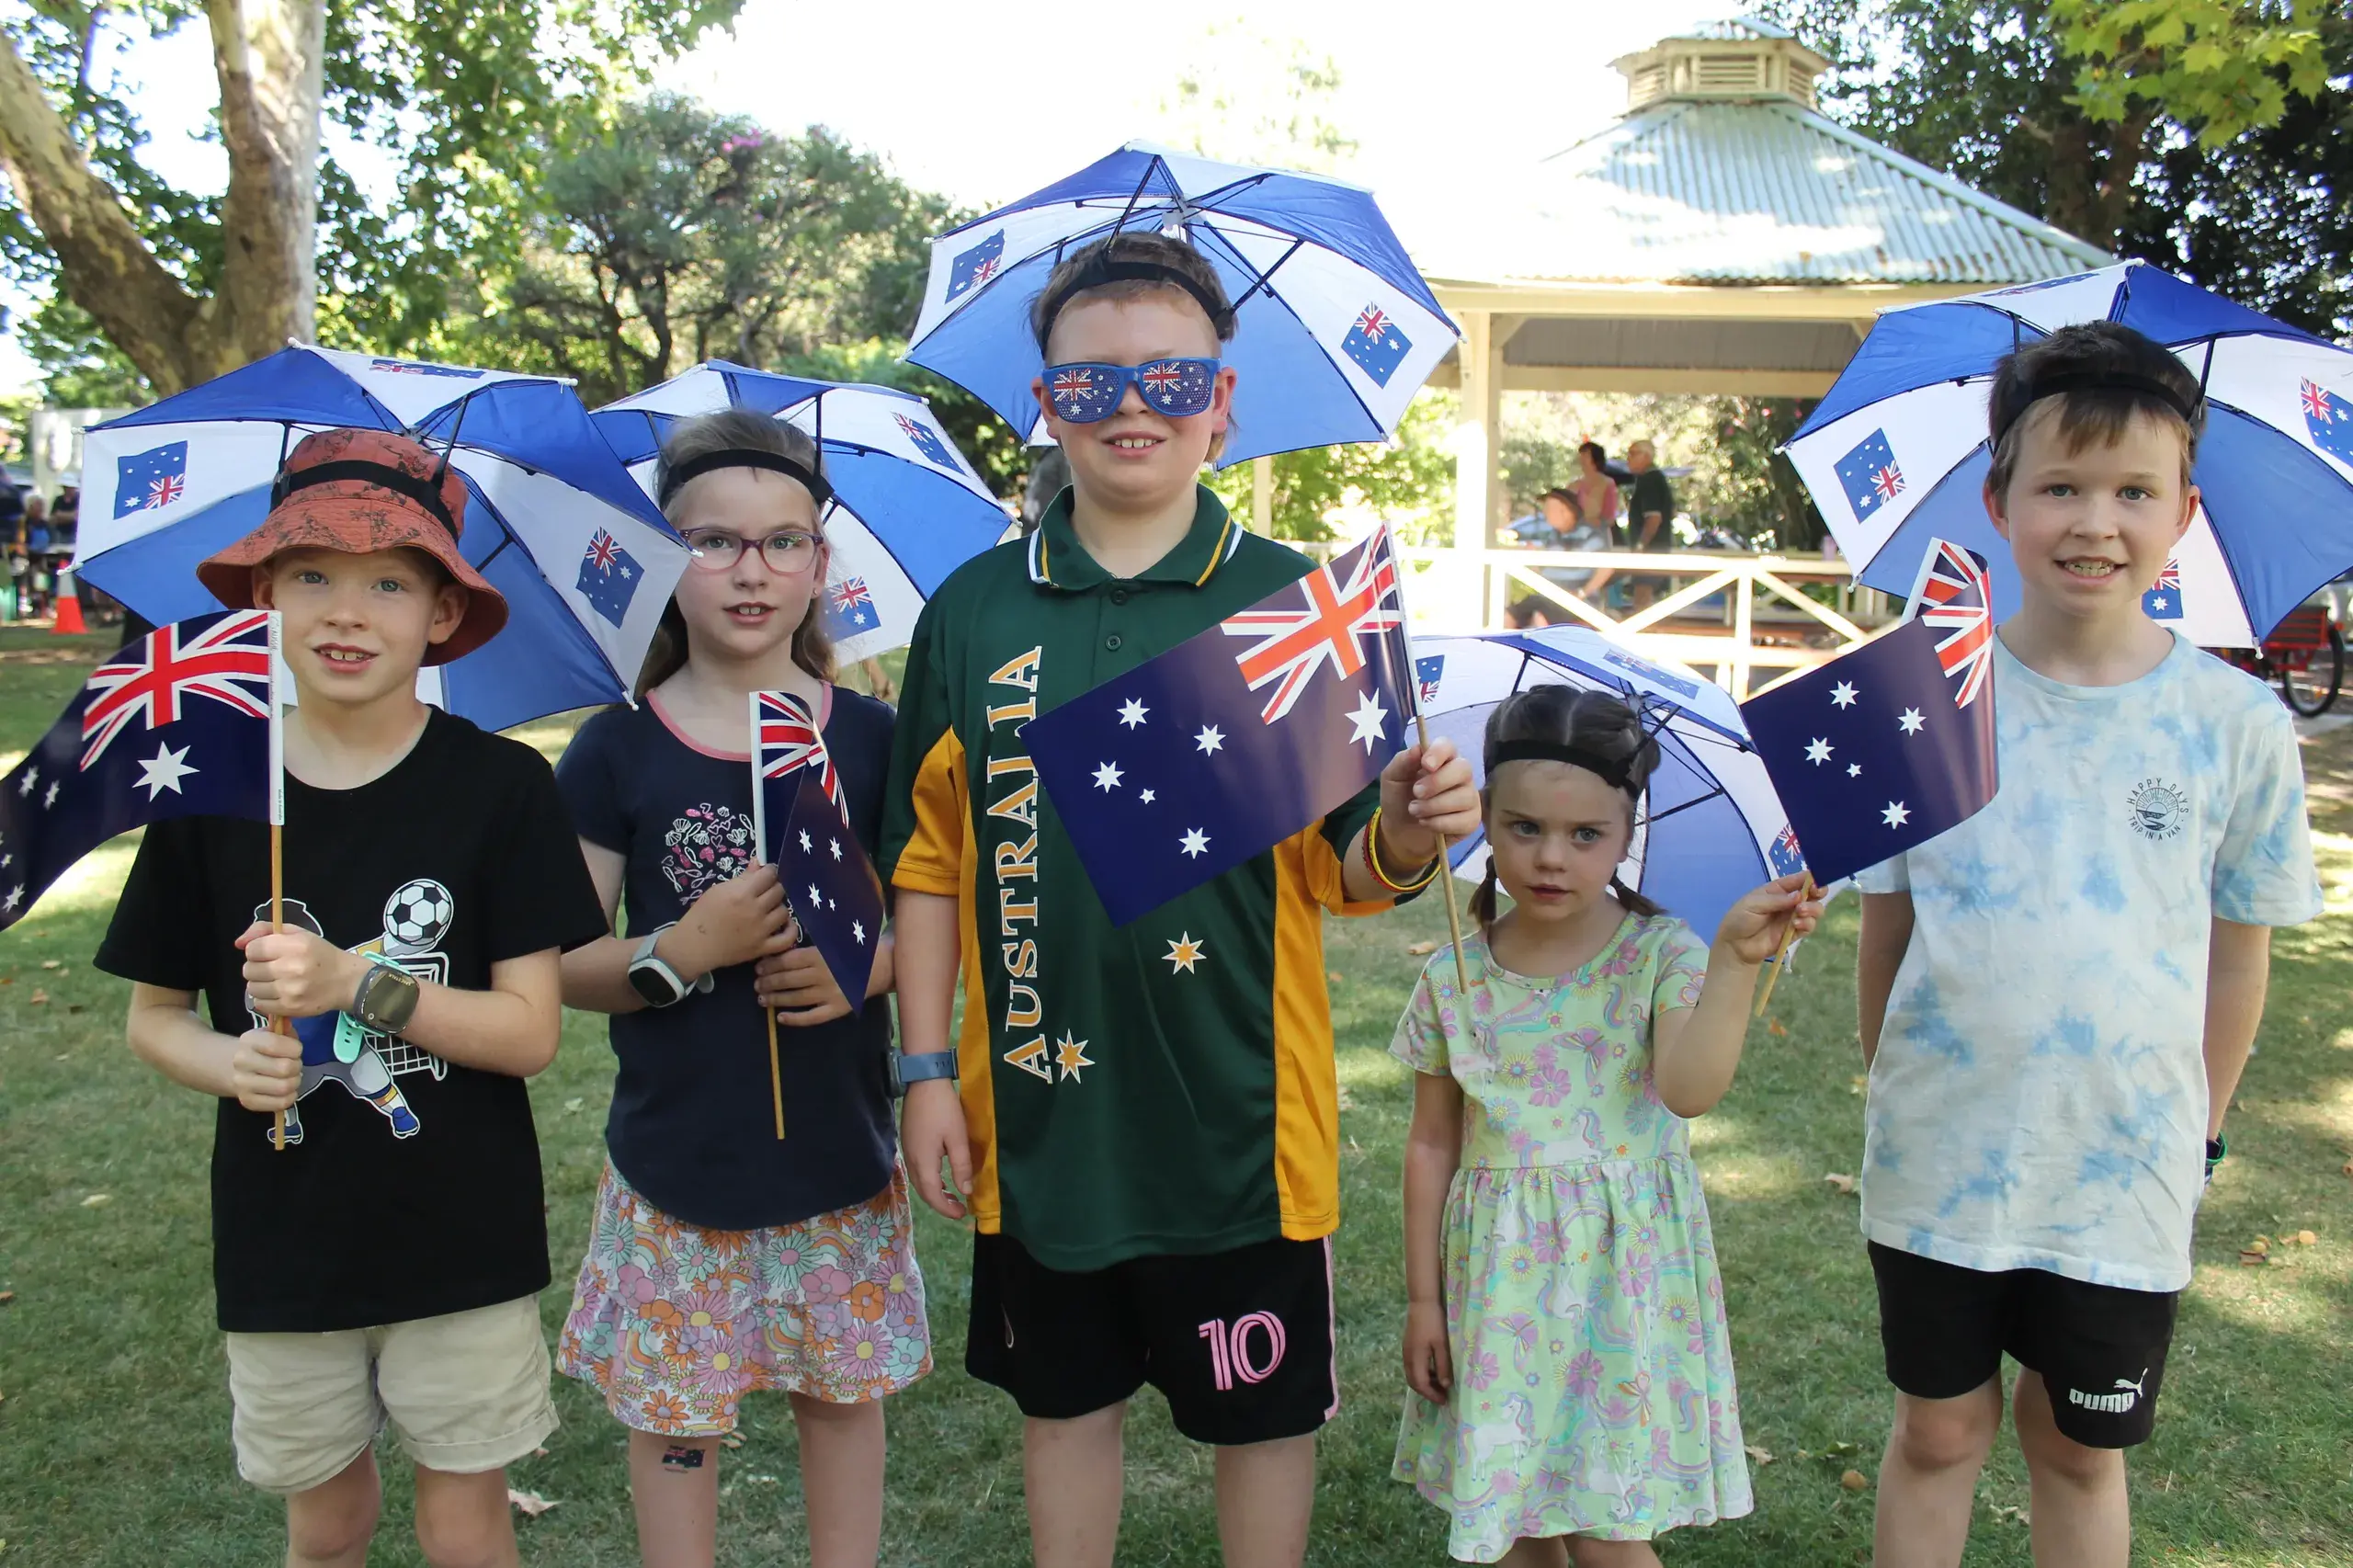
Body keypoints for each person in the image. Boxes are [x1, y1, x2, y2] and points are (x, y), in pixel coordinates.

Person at [881, 231, 1481, 1568]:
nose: (1130, 406)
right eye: (1089, 383)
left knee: (1260, 1427)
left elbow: (1350, 871)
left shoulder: (1294, 601)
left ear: (1224, 401)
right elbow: (928, 861)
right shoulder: (973, 614)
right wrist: (926, 1068)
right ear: (1045, 404)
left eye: (1169, 376)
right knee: (1064, 1406)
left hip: (1244, 1127)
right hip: (1039, 1118)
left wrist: (1404, 825)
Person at [94, 428, 608, 1568]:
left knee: (463, 1522)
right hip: (288, 1240)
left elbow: (530, 1035)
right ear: (264, 594)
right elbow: (154, 1018)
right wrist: (229, 1062)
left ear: (440, 615)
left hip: (459, 1234)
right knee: (324, 1526)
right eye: (311, 575)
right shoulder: (217, 789)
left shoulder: (500, 787)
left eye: (388, 581)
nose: (346, 609)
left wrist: (352, 984)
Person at [1853, 322, 2322, 1568]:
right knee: (1940, 1434)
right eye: (2060, 485)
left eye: (2134, 491)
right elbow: (1887, 921)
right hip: (1938, 1153)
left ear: (2185, 510)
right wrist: (1888, 1080)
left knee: (2074, 1443)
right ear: (2000, 500)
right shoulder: (1929, 697)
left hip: (2125, 1166)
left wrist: (2202, 1121)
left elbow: (2240, 948)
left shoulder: (2239, 726)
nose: (2094, 522)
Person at [552, 408, 928, 1568]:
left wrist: (856, 968)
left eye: (781, 541)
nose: (750, 569)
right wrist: (687, 946)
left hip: (836, 1158)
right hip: (677, 1168)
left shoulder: (871, 736)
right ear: (667, 562)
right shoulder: (616, 748)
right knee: (676, 1422)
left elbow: (927, 914)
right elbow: (566, 960)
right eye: (713, 541)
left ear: (822, 563)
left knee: (837, 1396)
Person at [1392, 686, 1820, 1566]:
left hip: (1620, 1285)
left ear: (1629, 838)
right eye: (1522, 828)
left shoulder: (1660, 955)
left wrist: (1736, 964)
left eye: (1586, 835)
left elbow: (1690, 1089)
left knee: (1606, 1534)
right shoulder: (1452, 977)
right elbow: (1433, 1143)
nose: (1551, 857)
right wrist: (1425, 1301)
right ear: (1483, 821)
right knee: (1516, 1523)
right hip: (1498, 1288)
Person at [1624, 441, 1674, 614]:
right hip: (1656, 551)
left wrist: (1640, 547)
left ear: (1646, 456)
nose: (1628, 458)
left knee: (1642, 601)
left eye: (1633, 453)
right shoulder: (1653, 479)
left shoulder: (1650, 480)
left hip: (1650, 553)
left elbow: (1654, 518)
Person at [1570, 441, 1620, 543]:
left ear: (1595, 458)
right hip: (1578, 535)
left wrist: (1596, 522)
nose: (1582, 458)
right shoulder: (1575, 484)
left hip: (1599, 535)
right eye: (1581, 455)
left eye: (1586, 455)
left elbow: (1611, 517)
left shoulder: (1607, 483)